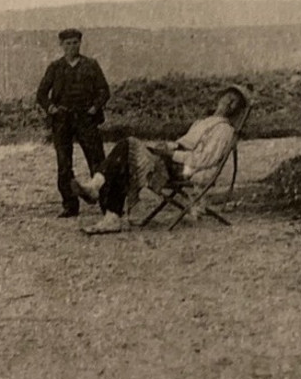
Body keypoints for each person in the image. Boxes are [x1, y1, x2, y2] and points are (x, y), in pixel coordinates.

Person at [75, 86, 249, 236]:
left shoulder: (224, 130)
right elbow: (182, 143)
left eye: (234, 102)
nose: (228, 103)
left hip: (187, 169)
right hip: (176, 161)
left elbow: (203, 160)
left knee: (128, 146)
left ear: (237, 110)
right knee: (126, 155)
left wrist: (170, 155)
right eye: (227, 98)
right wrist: (166, 147)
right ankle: (110, 214)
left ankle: (100, 193)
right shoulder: (204, 122)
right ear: (220, 99)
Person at [34, 28, 112, 217]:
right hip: (62, 121)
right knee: (64, 164)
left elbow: (104, 90)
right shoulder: (55, 67)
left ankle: (107, 203)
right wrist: (51, 108)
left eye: (75, 42)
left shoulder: (91, 65)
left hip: (86, 119)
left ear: (80, 43)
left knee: (97, 161)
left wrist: (94, 107)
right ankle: (70, 205)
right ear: (61, 45)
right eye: (67, 43)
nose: (71, 46)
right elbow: (41, 94)